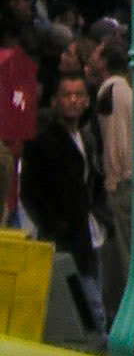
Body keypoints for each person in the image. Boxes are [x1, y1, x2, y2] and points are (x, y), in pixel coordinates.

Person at [20, 71, 111, 334]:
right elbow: (29, 191)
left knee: (93, 304)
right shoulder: (43, 143)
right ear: (54, 101)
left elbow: (91, 184)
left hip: (91, 237)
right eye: (66, 95)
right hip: (69, 241)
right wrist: (53, 225)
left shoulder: (87, 138)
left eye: (79, 95)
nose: (73, 100)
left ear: (86, 101)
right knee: (92, 313)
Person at [90, 37, 133, 317]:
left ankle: (118, 313)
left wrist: (112, 180)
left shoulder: (112, 92)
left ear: (104, 61)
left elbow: (116, 141)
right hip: (125, 181)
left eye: (96, 52)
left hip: (120, 183)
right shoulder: (123, 89)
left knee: (119, 254)